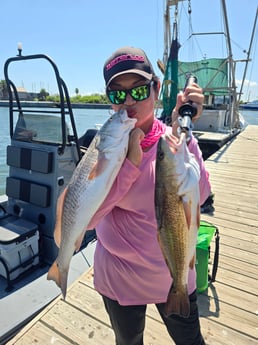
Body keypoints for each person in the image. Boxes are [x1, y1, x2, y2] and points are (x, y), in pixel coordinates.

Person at [87, 46, 211, 345]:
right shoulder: (102, 149)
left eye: (139, 90)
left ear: (156, 89)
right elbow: (88, 218)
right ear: (110, 101)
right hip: (119, 278)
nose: (129, 101)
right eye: (118, 94)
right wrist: (129, 165)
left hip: (174, 273)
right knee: (128, 341)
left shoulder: (172, 140)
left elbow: (202, 194)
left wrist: (184, 132)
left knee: (190, 341)